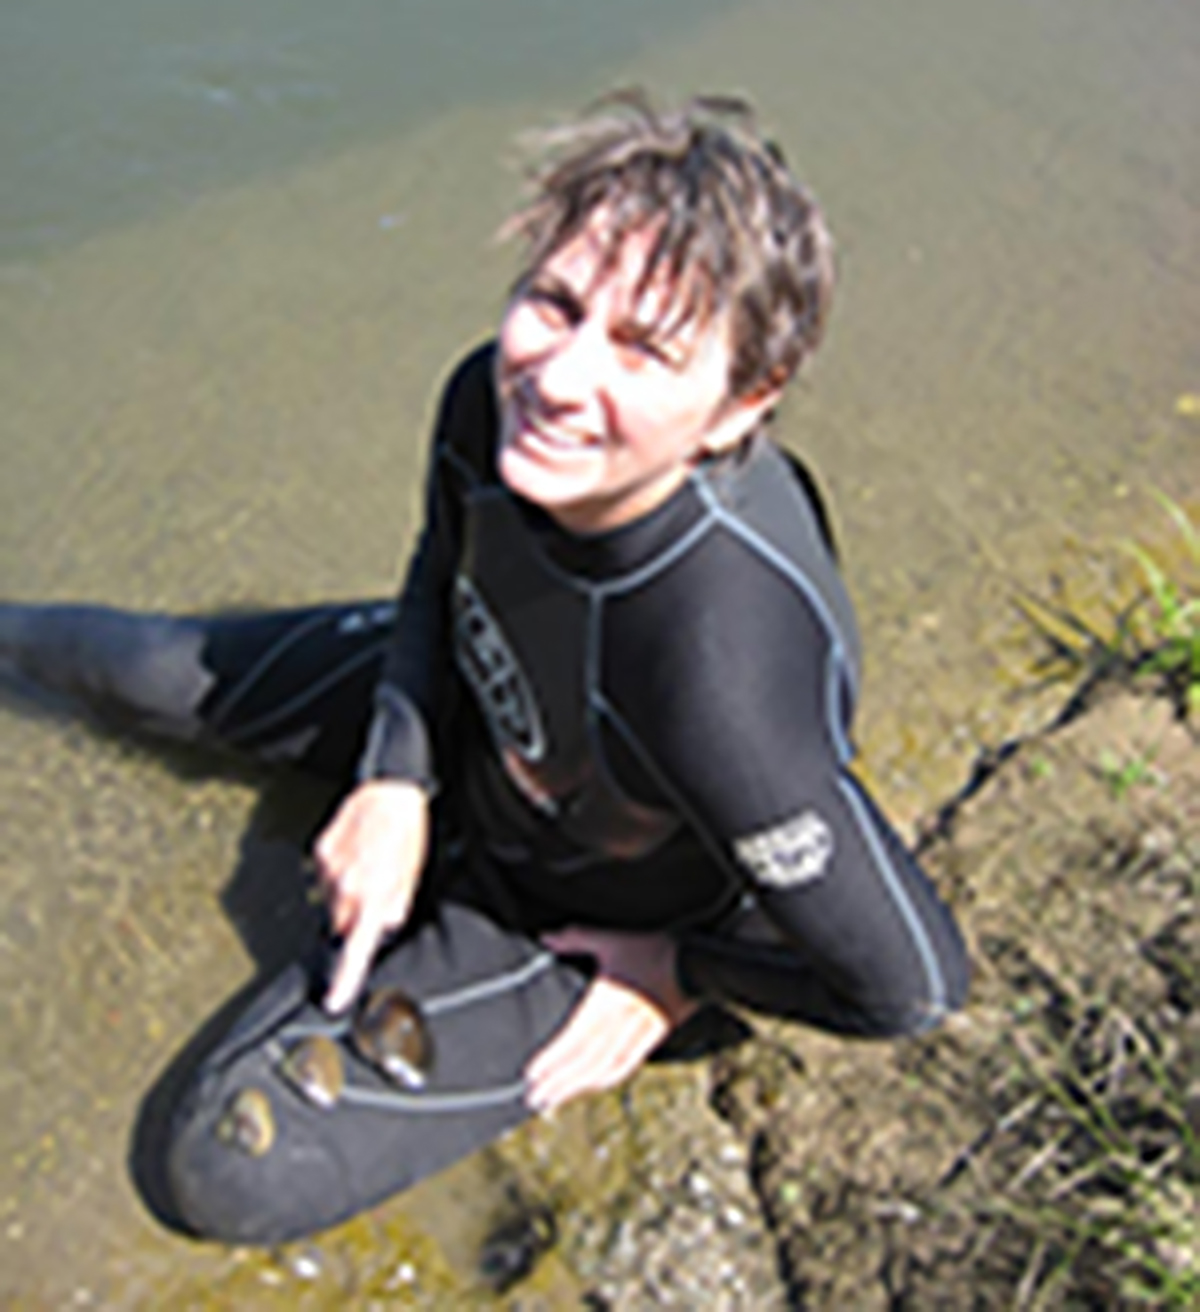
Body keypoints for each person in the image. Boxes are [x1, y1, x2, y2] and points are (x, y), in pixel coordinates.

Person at [0, 91, 968, 1245]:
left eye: (643, 349)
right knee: (112, 665)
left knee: (220, 1168)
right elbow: (444, 564)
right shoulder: (487, 400)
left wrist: (683, 966)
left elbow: (911, 983)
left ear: (739, 405)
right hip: (476, 711)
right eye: (553, 304)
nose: (559, 376)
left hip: (575, 906)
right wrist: (396, 775)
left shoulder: (719, 678)